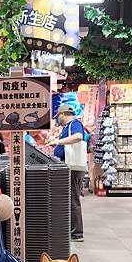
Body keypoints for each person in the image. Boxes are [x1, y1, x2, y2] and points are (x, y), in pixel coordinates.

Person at [49, 103, 85, 242]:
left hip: (73, 167)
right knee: (70, 199)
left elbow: (78, 137)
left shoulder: (74, 124)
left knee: (73, 199)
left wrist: (58, 142)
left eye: (58, 116)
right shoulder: (67, 126)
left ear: (63, 114)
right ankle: (72, 231)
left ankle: (77, 234)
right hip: (70, 166)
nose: (58, 119)